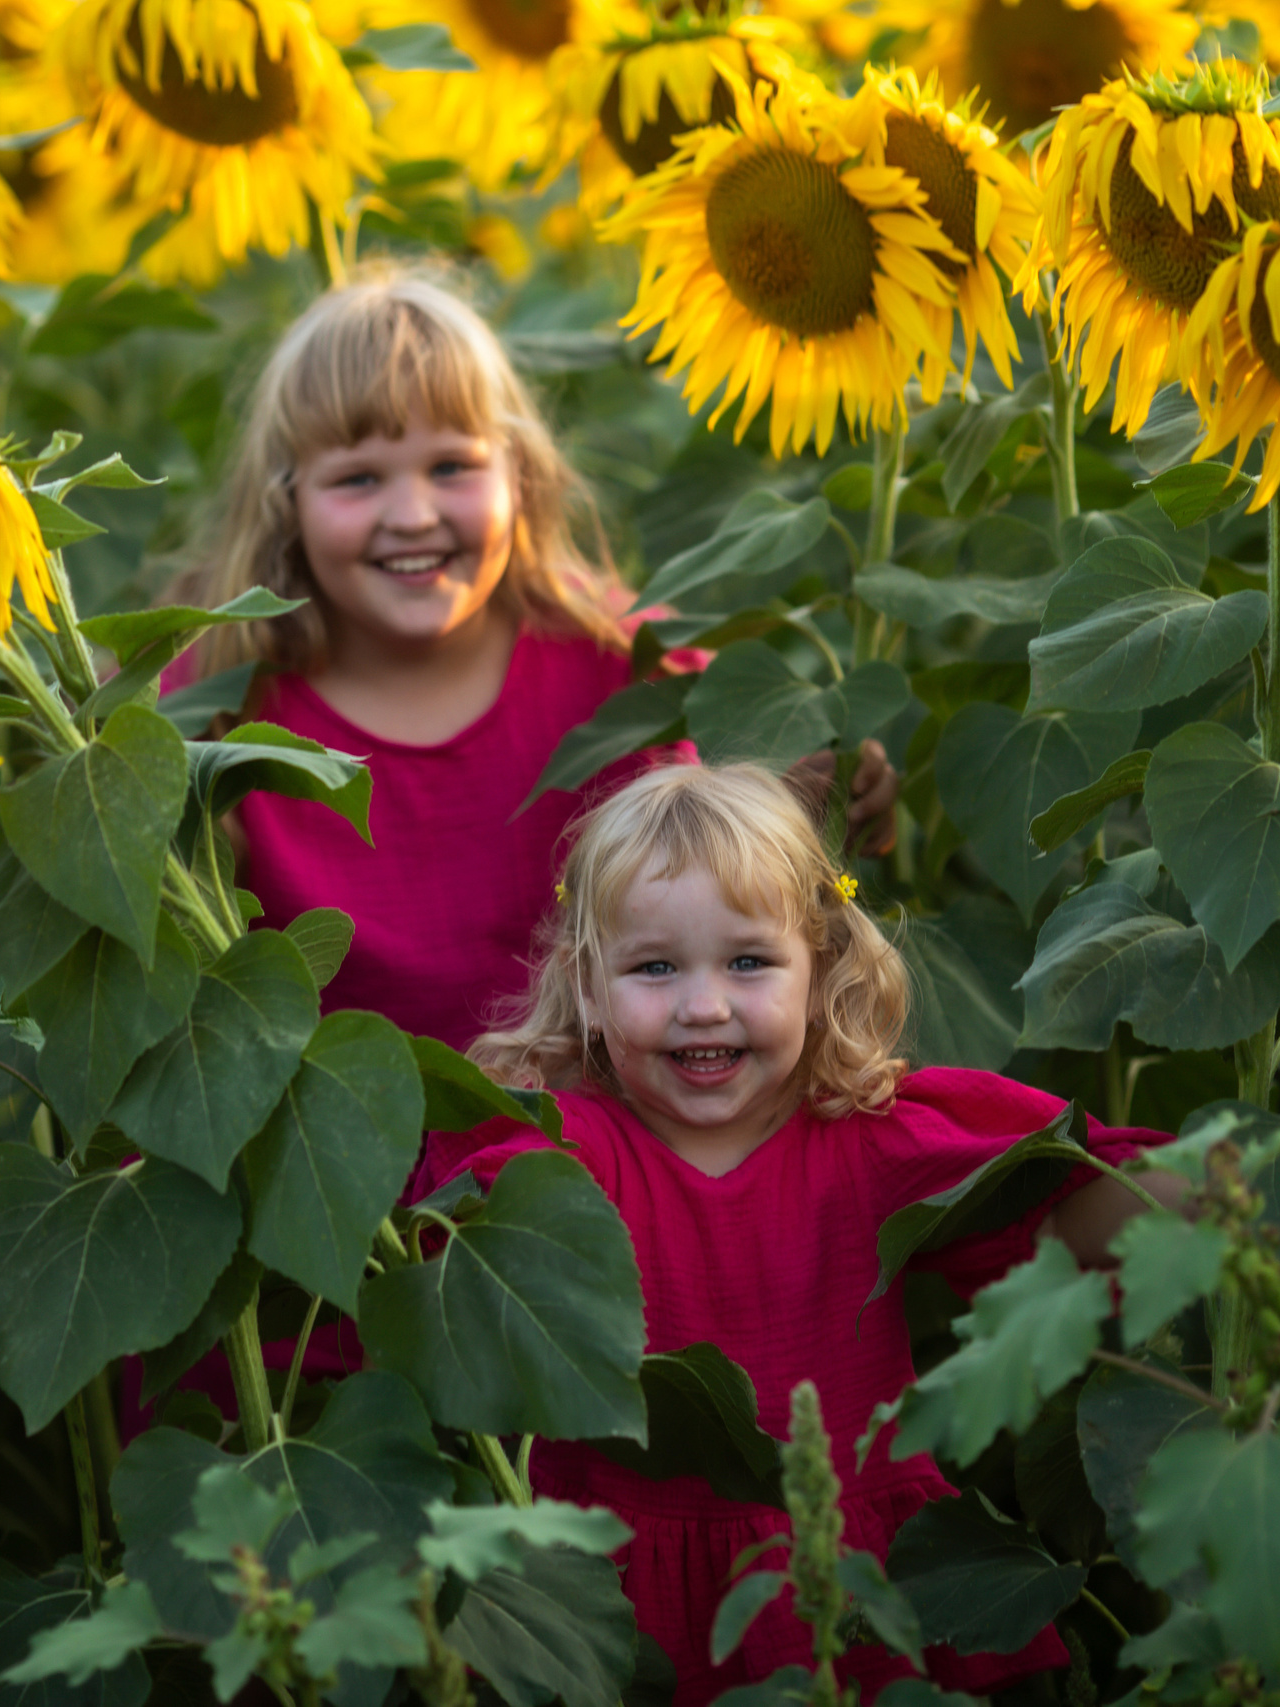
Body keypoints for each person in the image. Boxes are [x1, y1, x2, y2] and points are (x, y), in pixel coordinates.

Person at [418, 761, 1180, 1700]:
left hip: (852, 1587)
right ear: (585, 988)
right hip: (616, 1591)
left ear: (818, 967)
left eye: (748, 961)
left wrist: (1225, 1182)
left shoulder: (868, 1136)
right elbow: (458, 1234)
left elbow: (1066, 1202)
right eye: (655, 967)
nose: (704, 1005)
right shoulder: (568, 1146)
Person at [165, 265, 898, 1052]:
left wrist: (794, 812)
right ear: (287, 503)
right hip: (339, 1156)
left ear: (518, 473)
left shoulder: (622, 662)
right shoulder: (217, 708)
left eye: (452, 467)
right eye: (357, 478)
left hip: (607, 1149)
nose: (412, 515)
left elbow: (722, 879)